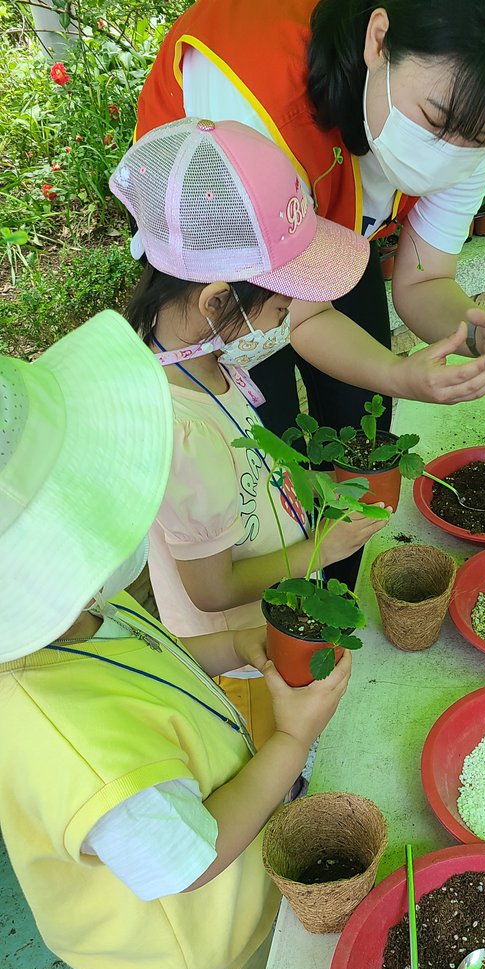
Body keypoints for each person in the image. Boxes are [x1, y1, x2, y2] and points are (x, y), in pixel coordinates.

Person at [0, 310, 351, 969]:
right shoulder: (65, 735)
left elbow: (146, 657)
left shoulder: (62, 621)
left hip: (226, 881)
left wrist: (234, 644)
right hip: (193, 937)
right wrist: (292, 739)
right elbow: (185, 857)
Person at [135, 0, 485, 439]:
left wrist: (473, 335)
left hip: (322, 227)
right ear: (378, 39)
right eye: (434, 120)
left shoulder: (474, 117)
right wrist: (398, 374)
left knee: (362, 425)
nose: (450, 152)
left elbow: (425, 280)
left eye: (481, 138)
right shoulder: (259, 108)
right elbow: (305, 316)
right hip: (218, 233)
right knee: (261, 437)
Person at [111, 117, 387, 742]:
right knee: (270, 745)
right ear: (215, 302)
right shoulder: (186, 436)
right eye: (282, 305)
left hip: (267, 615)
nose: (288, 319)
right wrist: (327, 549)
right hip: (240, 660)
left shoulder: (204, 360)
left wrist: (306, 488)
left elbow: (249, 465)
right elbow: (211, 591)